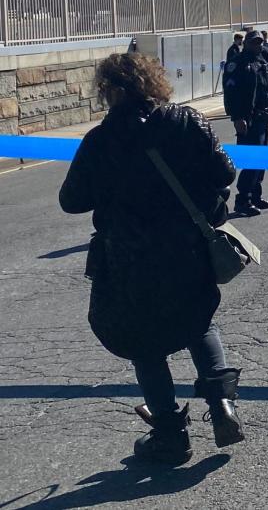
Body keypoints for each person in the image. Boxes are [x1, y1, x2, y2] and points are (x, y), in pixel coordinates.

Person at [59, 53, 245, 465]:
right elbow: (225, 172)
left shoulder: (99, 141)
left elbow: (71, 201)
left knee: (144, 343)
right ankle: (222, 408)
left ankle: (169, 433)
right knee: (198, 323)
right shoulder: (188, 121)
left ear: (113, 90)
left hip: (129, 257)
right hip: (187, 248)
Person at [223, 30, 268, 217]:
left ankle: (256, 196)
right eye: (254, 42)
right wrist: (237, 118)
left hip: (263, 117)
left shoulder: (262, 61)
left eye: (260, 42)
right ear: (246, 43)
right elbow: (231, 93)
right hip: (248, 119)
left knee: (261, 159)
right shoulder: (237, 64)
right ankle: (243, 201)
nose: (258, 46)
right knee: (252, 160)